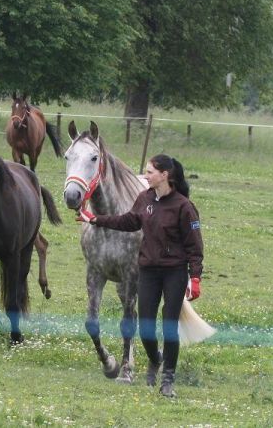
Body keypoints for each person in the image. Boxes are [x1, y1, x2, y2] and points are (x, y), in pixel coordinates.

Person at [78, 154, 204, 398]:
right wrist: (95, 219)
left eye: (149, 172)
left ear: (164, 175)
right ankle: (155, 359)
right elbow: (129, 221)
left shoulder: (184, 207)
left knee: (168, 328)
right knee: (145, 326)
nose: (145, 176)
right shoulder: (145, 198)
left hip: (174, 272)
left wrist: (195, 277)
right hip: (148, 271)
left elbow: (195, 246)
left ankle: (167, 380)